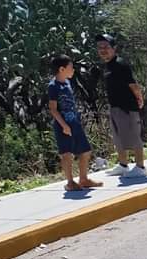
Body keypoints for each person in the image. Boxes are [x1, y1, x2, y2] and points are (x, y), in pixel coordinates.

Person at [47, 55, 102, 193]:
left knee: (85, 150)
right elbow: (53, 109)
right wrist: (64, 125)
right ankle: (70, 182)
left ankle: (83, 179)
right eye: (71, 68)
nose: (73, 70)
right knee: (67, 153)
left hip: (74, 122)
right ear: (62, 69)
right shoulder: (53, 86)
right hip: (63, 124)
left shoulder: (67, 83)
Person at [95, 34, 147, 178]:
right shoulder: (107, 66)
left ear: (114, 48)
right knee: (118, 138)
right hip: (115, 107)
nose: (103, 50)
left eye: (106, 47)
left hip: (127, 107)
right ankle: (123, 165)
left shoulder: (120, 64)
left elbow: (133, 85)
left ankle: (140, 167)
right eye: (100, 47)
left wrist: (139, 99)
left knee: (134, 137)